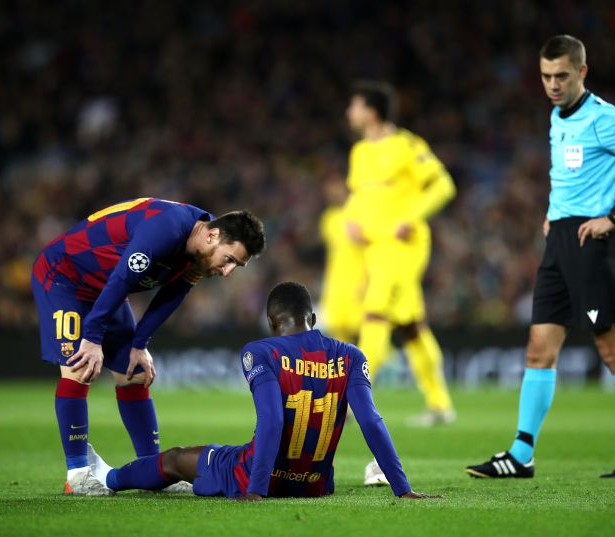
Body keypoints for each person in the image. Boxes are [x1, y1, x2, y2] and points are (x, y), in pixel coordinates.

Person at [466, 35, 615, 479]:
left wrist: (614, 216)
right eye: (545, 76)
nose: (553, 85)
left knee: (611, 347)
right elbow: (568, 174)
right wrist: (553, 214)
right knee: (539, 350)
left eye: (561, 75)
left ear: (582, 71)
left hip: (591, 247)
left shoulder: (603, 118)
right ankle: (521, 456)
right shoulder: (557, 116)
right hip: (559, 243)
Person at [87, 282, 439, 501]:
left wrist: (255, 489)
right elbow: (371, 422)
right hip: (314, 484)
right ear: (312, 318)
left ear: (272, 321)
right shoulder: (351, 355)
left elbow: (272, 421)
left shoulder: (262, 351)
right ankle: (115, 477)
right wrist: (402, 488)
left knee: (176, 458)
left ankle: (108, 478)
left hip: (255, 475)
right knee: (196, 459)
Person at [31, 197, 265, 495]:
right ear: (212, 235)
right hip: (65, 277)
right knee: (81, 367)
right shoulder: (166, 228)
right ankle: (78, 474)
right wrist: (91, 338)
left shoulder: (198, 255)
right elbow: (123, 278)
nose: (228, 271)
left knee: (135, 373)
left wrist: (139, 344)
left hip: (106, 288)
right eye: (230, 259)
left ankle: (152, 472)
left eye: (237, 266)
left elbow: (172, 295)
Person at [344, 81, 457, 430]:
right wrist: (351, 220)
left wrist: (411, 216)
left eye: (355, 105)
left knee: (375, 313)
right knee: (411, 326)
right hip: (374, 248)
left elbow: (443, 185)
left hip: (403, 246)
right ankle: (440, 405)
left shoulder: (408, 145)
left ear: (371, 111)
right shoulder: (360, 152)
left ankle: (351, 400)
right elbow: (359, 197)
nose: (349, 112)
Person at [319, 177, 367, 343]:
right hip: (336, 284)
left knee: (363, 330)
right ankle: (344, 367)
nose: (332, 193)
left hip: (358, 280)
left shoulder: (361, 214)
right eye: (328, 191)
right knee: (337, 331)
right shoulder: (328, 219)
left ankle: (390, 365)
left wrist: (367, 280)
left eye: (335, 188)